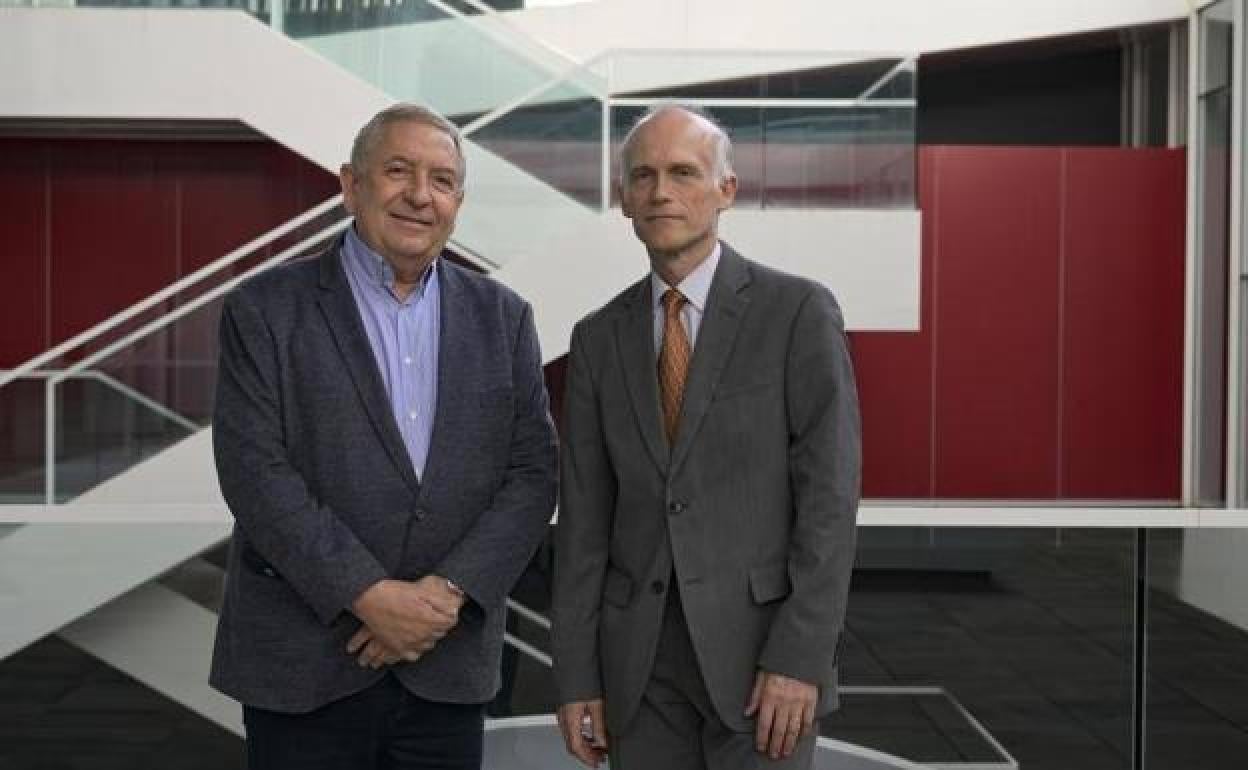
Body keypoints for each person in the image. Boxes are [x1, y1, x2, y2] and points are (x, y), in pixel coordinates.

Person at [210, 103, 558, 770]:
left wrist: (443, 598)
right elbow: (255, 472)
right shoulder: (264, 309)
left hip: (447, 666)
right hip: (303, 668)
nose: (420, 196)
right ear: (351, 184)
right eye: (398, 171)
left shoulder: (503, 317)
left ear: (458, 201)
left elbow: (532, 474)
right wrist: (369, 596)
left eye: (442, 180)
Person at [551, 104, 861, 770]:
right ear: (624, 198)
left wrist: (799, 658)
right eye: (644, 176)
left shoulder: (798, 314)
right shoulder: (597, 338)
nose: (662, 191)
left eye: (684, 173)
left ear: (726, 191)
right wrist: (577, 676)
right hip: (637, 670)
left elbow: (829, 504)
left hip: (763, 667)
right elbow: (583, 525)